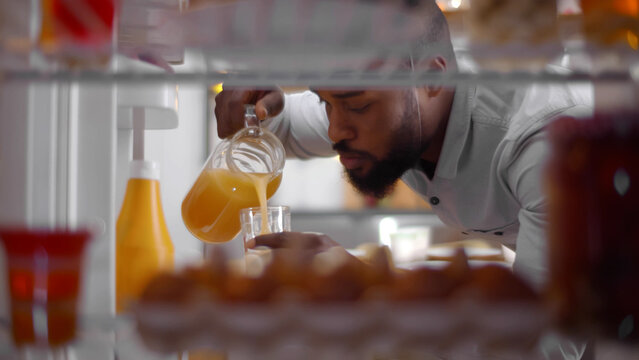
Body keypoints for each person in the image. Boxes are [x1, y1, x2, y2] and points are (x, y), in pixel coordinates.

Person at [214, 1, 592, 358]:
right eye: (326, 102)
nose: (334, 129)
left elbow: (540, 345)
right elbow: (286, 125)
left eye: (357, 105)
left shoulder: (548, 149)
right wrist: (254, 106)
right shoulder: (393, 104)